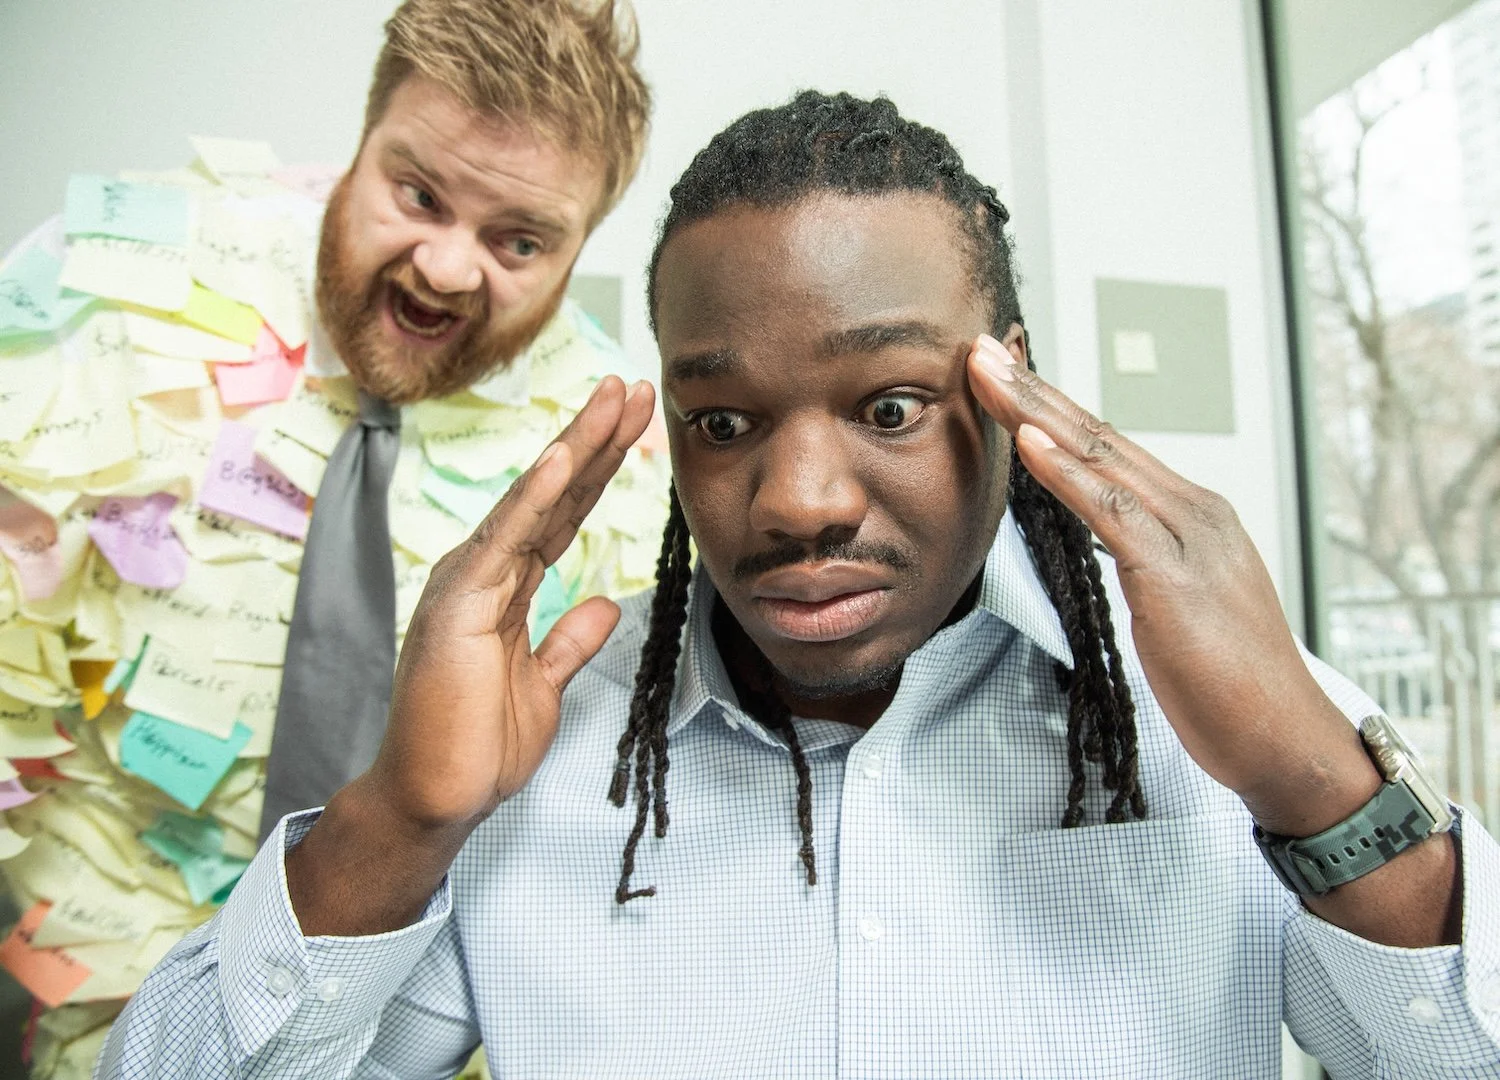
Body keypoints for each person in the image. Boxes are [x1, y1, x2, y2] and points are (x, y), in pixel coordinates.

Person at [97, 92, 1498, 1079]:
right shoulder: (544, 751)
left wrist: (1322, 789)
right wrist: (396, 820)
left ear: (1006, 379)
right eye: (724, 421)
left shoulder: (1230, 720)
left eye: (887, 405)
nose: (797, 502)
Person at [0, 1, 658, 1072]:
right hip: (78, 1021)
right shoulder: (104, 304)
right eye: (419, 194)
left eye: (518, 241)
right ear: (359, 142)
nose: (447, 268)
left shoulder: (624, 460)